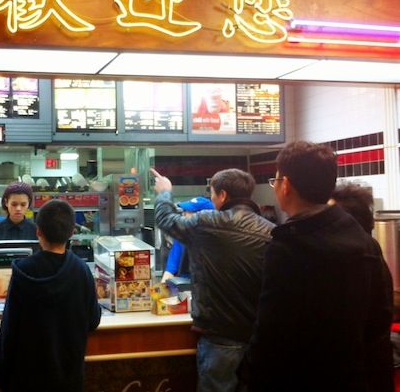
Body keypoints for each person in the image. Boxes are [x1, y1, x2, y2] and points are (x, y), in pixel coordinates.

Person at [240, 141, 393, 392]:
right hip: (354, 380)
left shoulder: (288, 247)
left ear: (285, 185)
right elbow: (379, 323)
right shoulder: (365, 242)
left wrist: (249, 376)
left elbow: (272, 333)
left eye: (275, 180)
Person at [151, 167, 274, 392]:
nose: (212, 198)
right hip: (260, 339)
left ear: (223, 195)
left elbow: (165, 219)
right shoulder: (271, 232)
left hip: (220, 338)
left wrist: (165, 192)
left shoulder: (207, 223)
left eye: (212, 193)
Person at [0, 199, 101, 392]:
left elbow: (9, 328)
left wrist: (2, 374)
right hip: (69, 378)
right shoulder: (81, 270)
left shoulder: (23, 271)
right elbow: (93, 321)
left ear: (38, 231)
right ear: (72, 232)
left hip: (26, 379)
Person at [161, 197, 215, 282]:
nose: (183, 214)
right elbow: (170, 270)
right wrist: (161, 288)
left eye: (188, 211)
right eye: (184, 211)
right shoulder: (182, 237)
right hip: (185, 285)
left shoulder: (220, 239)